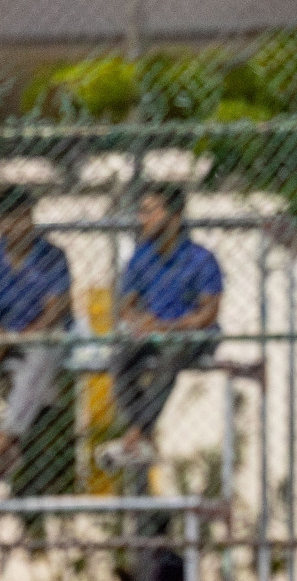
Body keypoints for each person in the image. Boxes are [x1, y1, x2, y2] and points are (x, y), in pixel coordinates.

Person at [98, 184, 222, 471]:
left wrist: (171, 326)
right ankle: (141, 434)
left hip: (191, 335)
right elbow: (126, 307)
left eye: (150, 211)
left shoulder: (200, 258)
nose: (143, 218)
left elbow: (208, 314)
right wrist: (142, 323)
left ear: (174, 216)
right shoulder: (142, 256)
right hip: (153, 333)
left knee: (173, 351)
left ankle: (136, 434)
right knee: (120, 354)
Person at [0, 186, 73, 481]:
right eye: (12, 219)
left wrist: (10, 340)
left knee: (44, 351)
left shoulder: (52, 256)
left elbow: (54, 311)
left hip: (40, 337)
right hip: (5, 337)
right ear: (0, 223)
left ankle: (8, 437)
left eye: (25, 217)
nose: (20, 225)